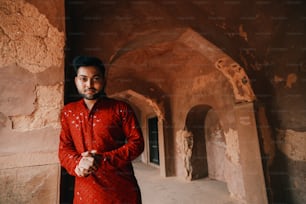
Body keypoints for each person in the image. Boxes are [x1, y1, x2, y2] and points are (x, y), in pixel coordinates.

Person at [58, 56, 144, 204]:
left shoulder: (121, 109)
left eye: (95, 78)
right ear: (76, 81)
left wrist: (102, 160)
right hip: (85, 192)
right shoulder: (68, 112)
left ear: (104, 80)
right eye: (83, 79)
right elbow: (64, 148)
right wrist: (77, 164)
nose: (89, 84)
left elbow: (137, 143)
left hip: (121, 190)